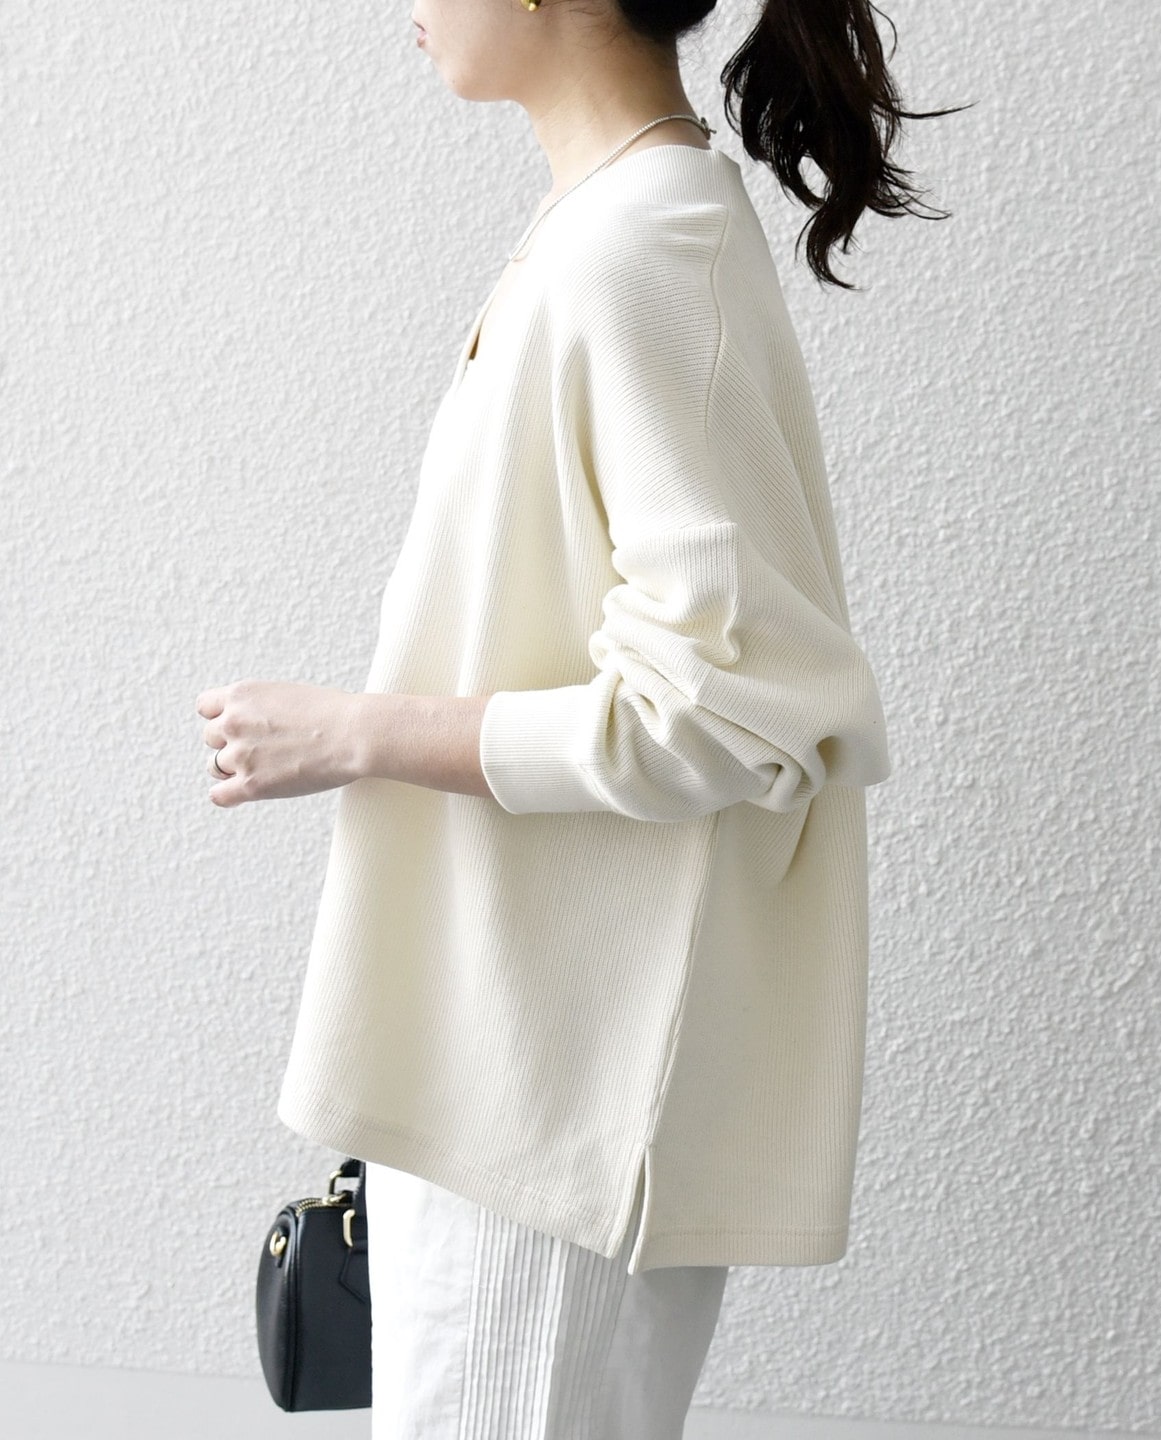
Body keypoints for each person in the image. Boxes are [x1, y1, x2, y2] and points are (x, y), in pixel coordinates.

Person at [197, 0, 962, 1434]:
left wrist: (359, 733)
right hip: (513, 1074)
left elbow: (724, 713)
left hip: (557, 1101)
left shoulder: (642, 247)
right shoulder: (604, 229)